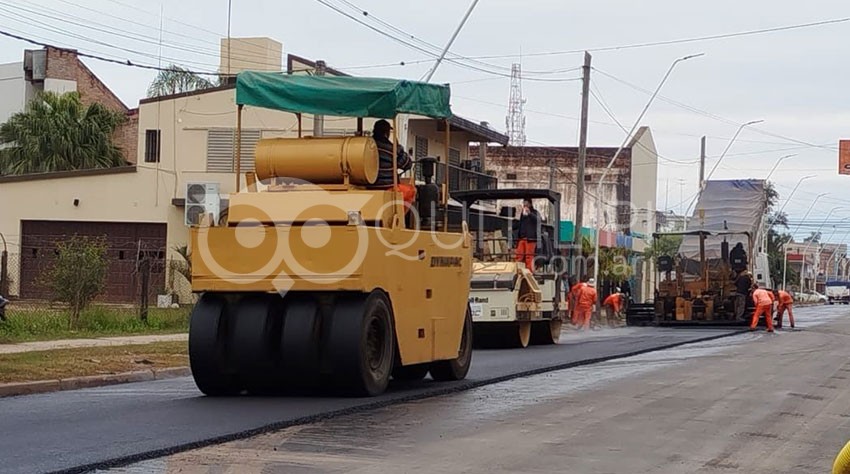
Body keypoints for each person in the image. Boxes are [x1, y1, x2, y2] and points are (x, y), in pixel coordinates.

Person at [372, 120, 415, 208]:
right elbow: (407, 164)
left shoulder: (365, 146)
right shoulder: (393, 149)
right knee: (411, 190)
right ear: (386, 133)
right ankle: (400, 215)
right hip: (387, 187)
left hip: (365, 187)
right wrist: (398, 148)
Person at [513, 198, 540, 272]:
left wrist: (530, 214)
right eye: (524, 203)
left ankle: (529, 272)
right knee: (519, 255)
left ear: (530, 204)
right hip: (522, 238)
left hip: (530, 239)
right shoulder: (522, 214)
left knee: (529, 256)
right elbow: (518, 224)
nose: (525, 205)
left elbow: (538, 220)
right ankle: (517, 271)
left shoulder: (535, 212)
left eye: (526, 203)